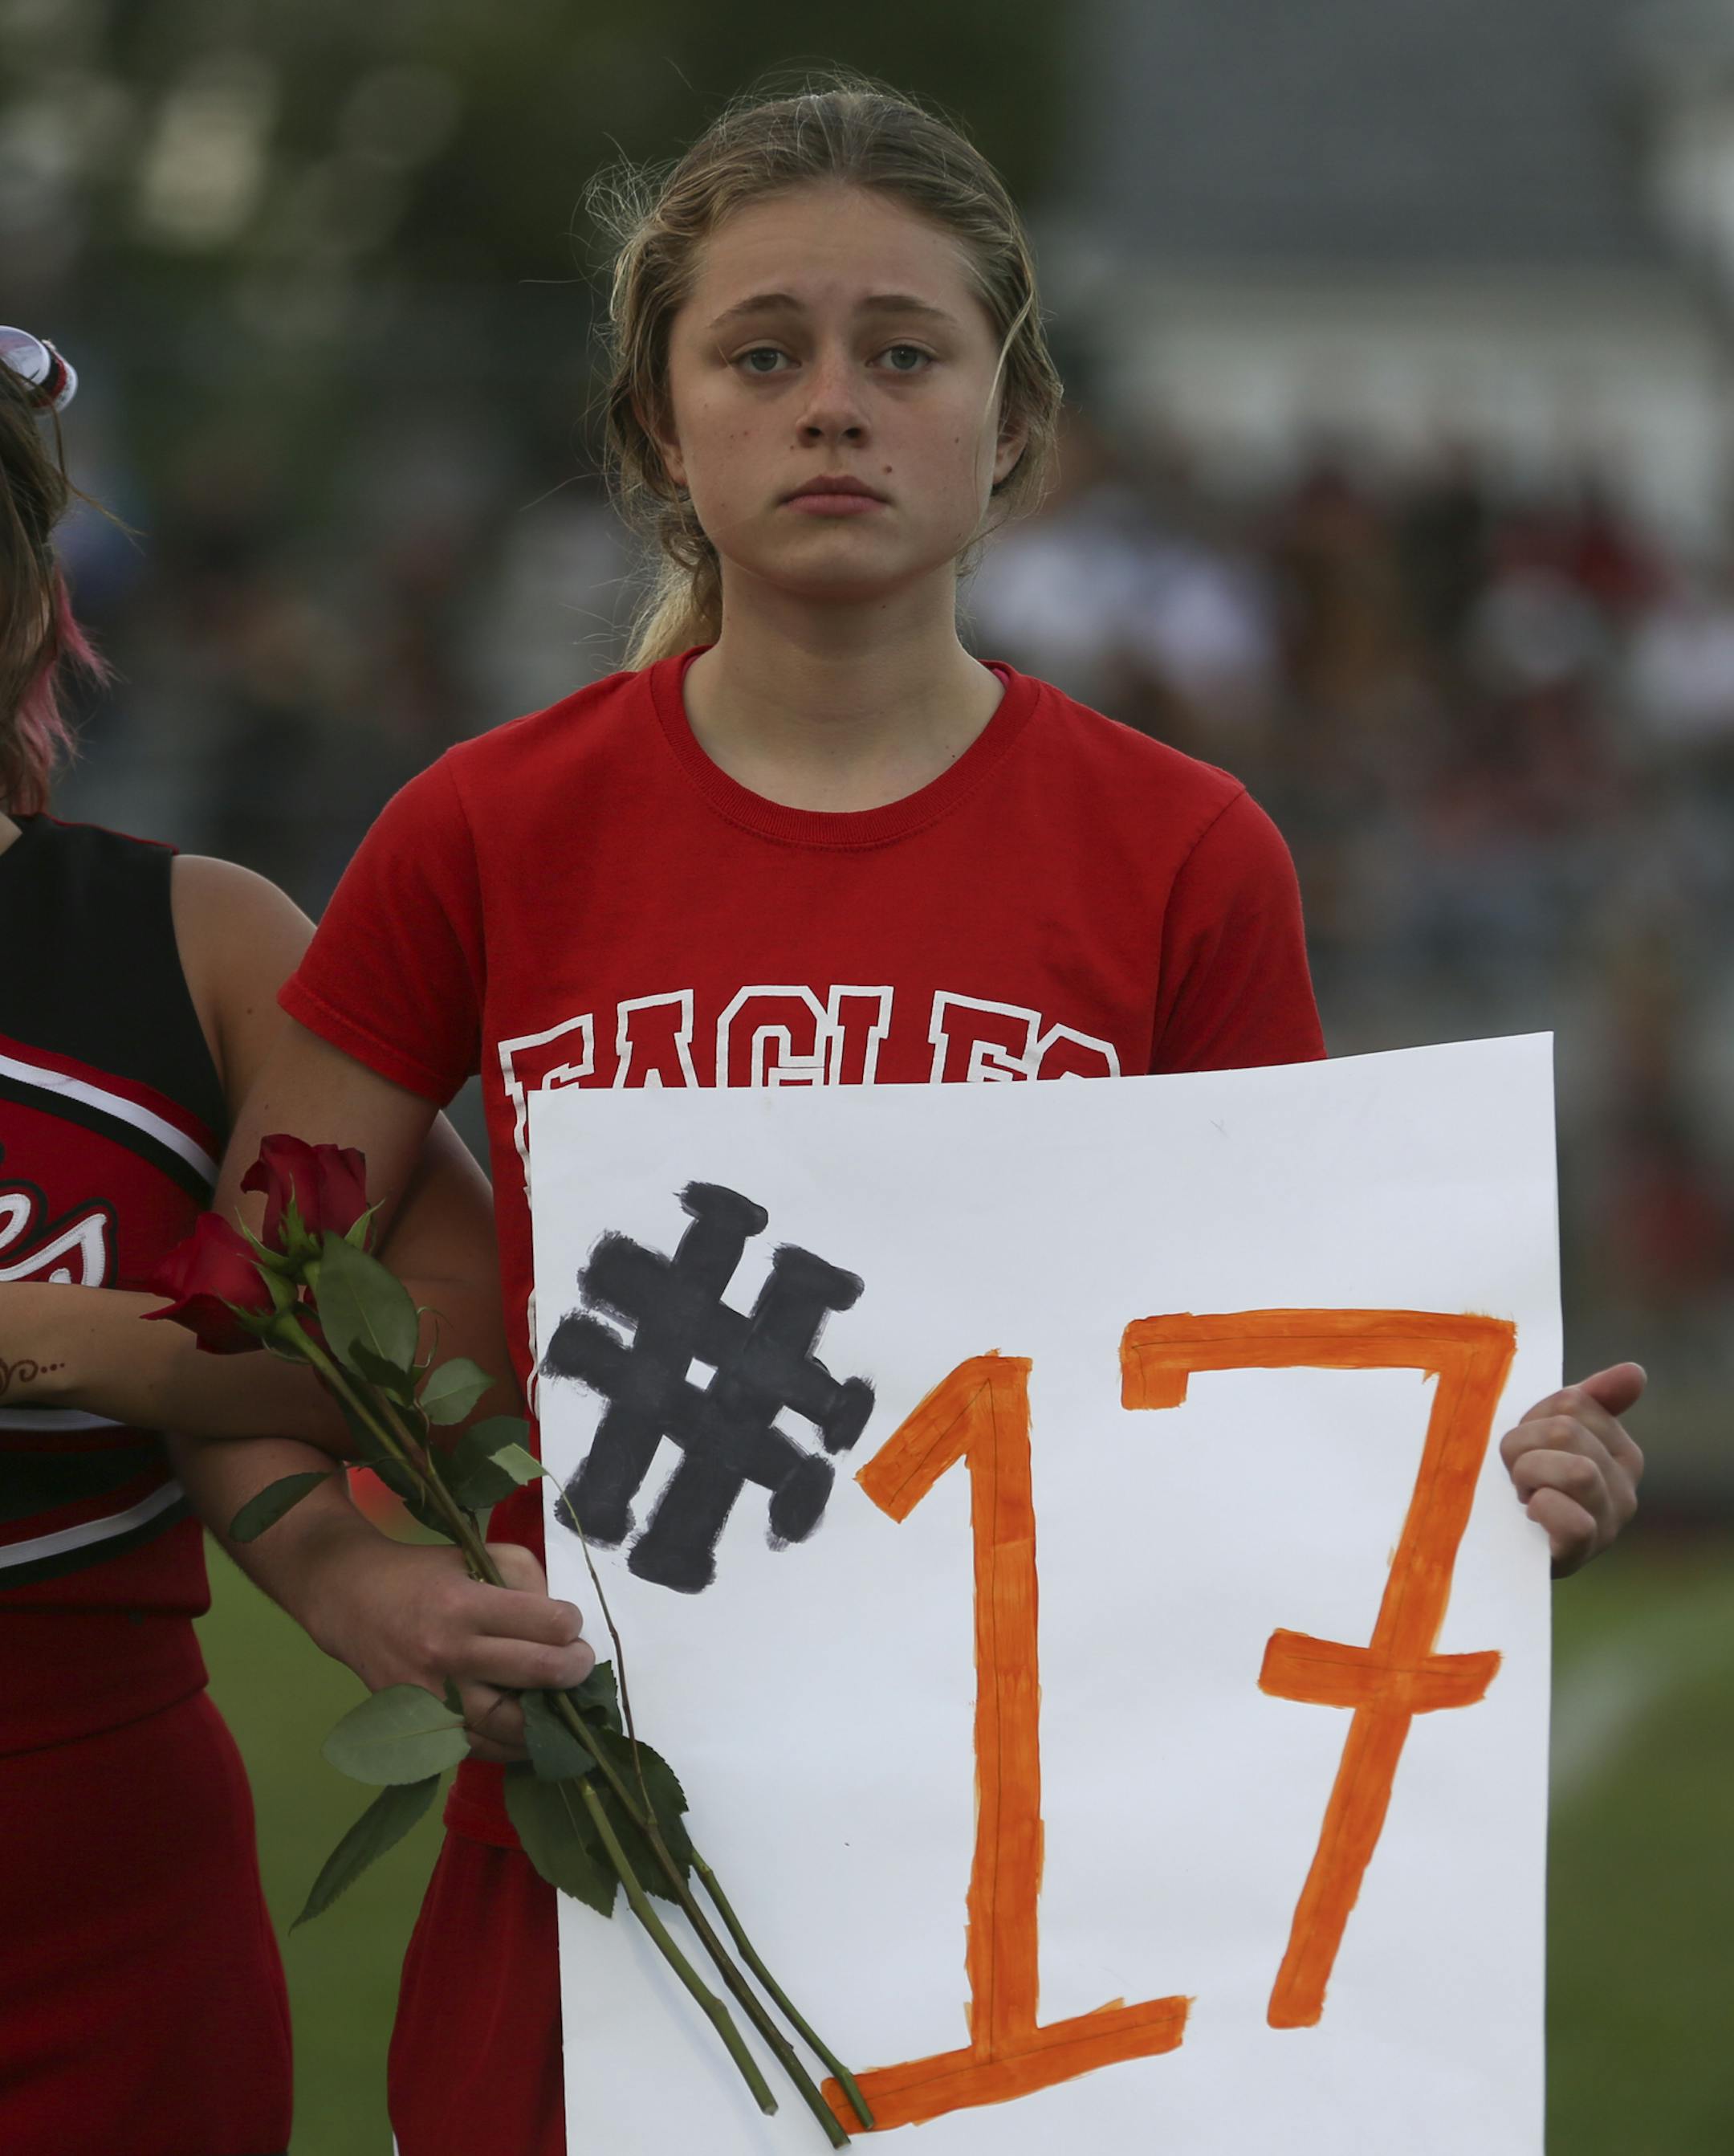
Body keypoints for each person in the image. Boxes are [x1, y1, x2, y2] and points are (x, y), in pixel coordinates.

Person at [211, 79, 1641, 2154]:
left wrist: (1490, 1472)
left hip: (1050, 1908)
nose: (834, 406)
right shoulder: (482, 830)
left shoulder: (1187, 852)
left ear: (1015, 421)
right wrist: (359, 1584)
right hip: (598, 1889)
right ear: (658, 427)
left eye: (903, 352)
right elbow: (239, 1313)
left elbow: (1288, 1394)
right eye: (763, 353)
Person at [0, 329, 592, 2156]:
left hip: (87, 1881)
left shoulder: (195, 937)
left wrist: (66, 1345)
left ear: (29, 596)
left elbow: (480, 1327)